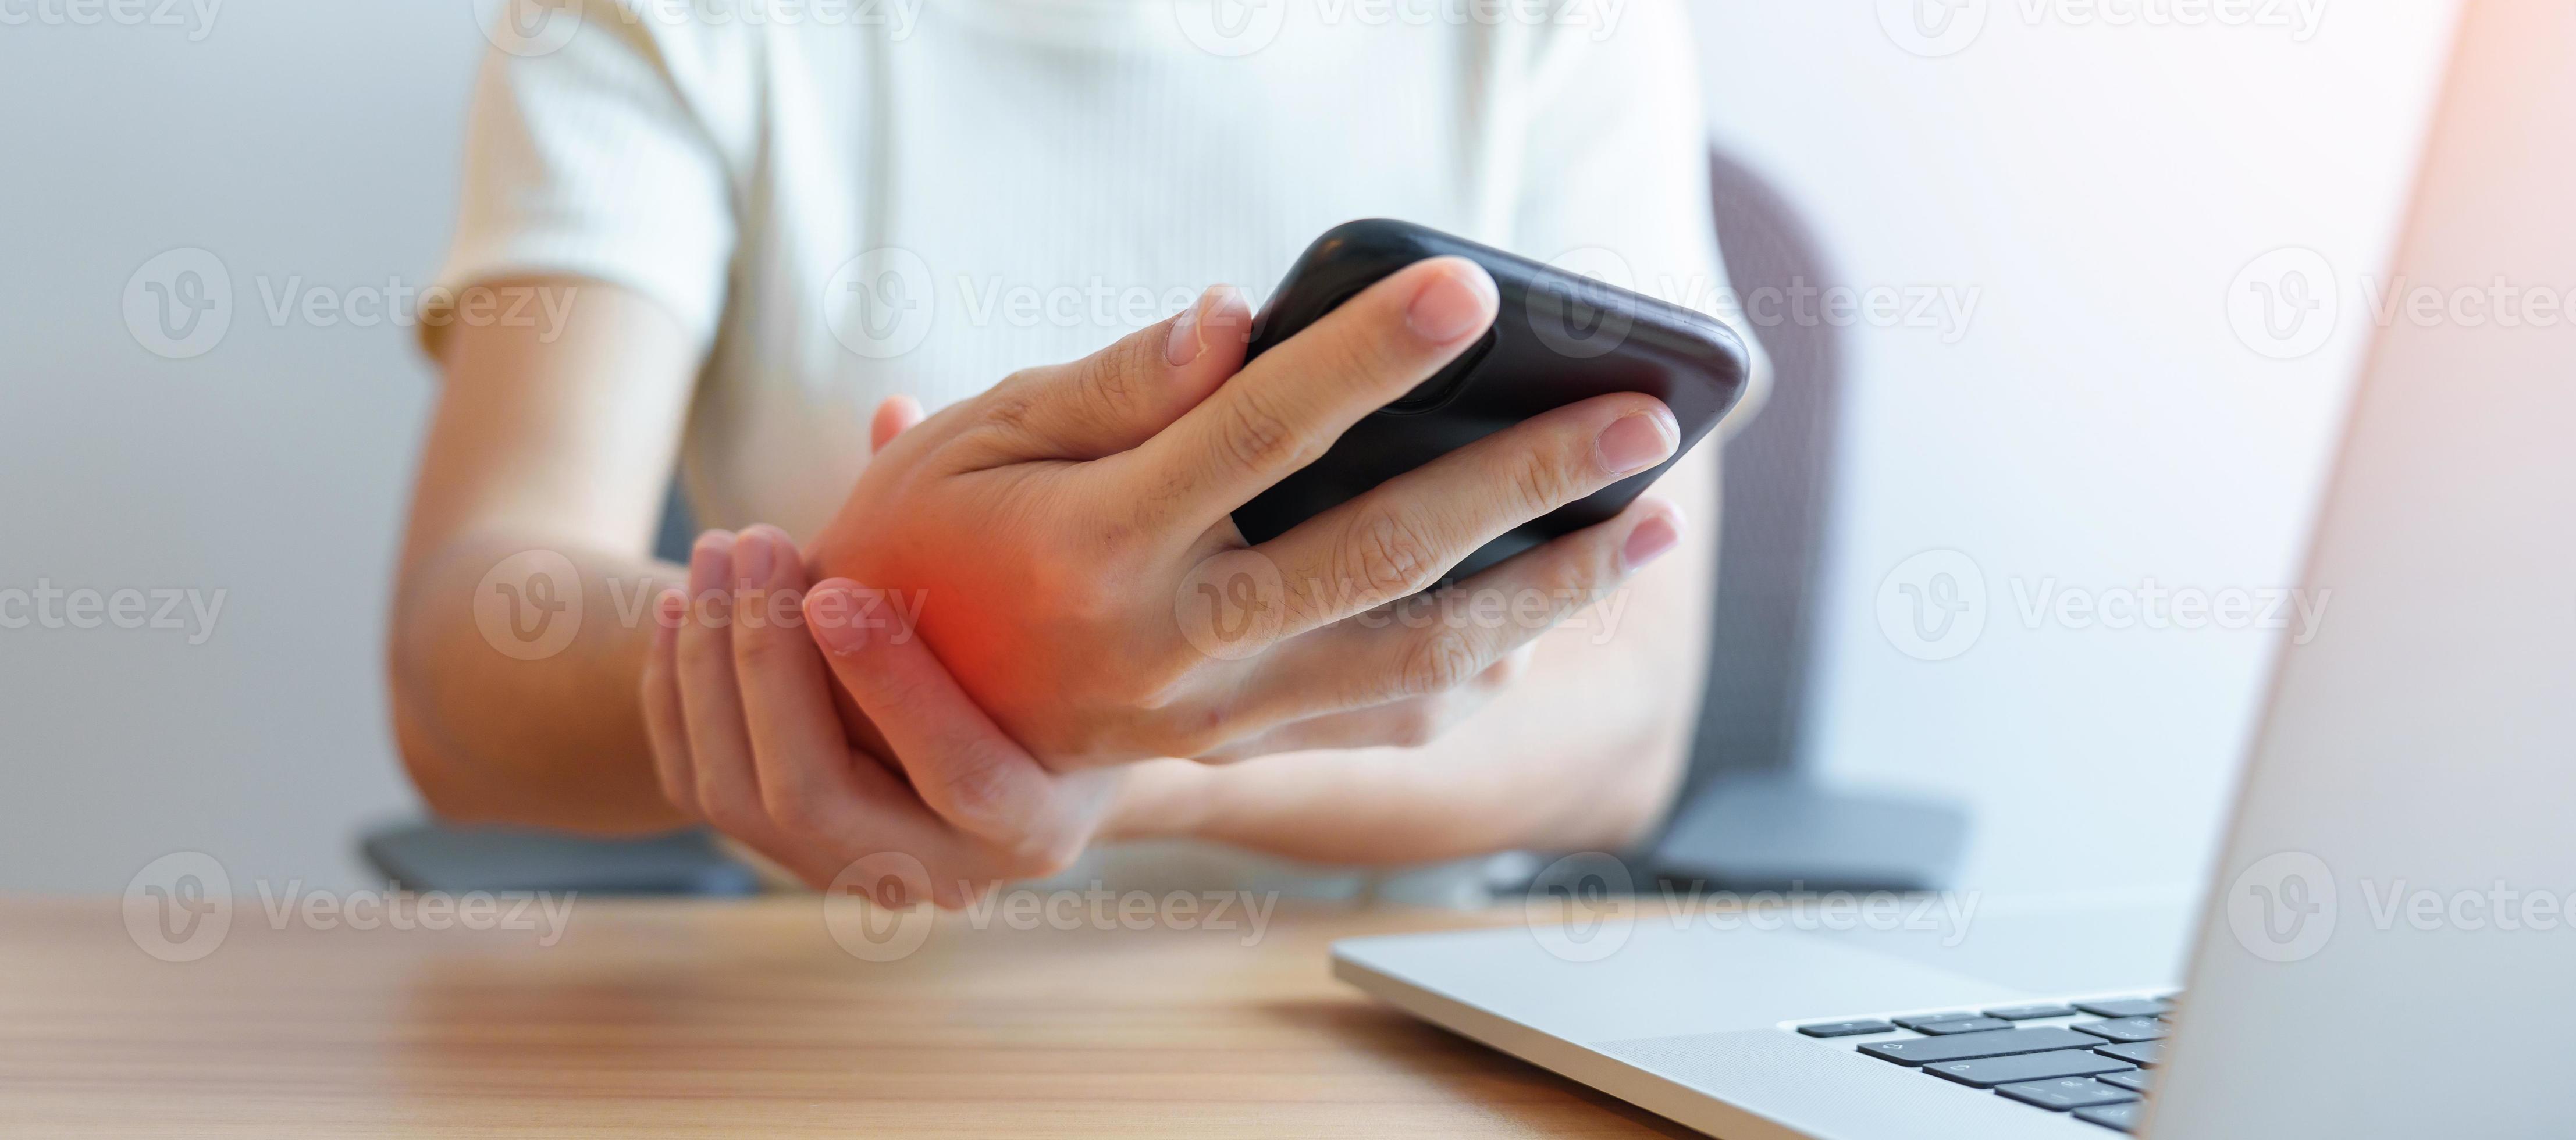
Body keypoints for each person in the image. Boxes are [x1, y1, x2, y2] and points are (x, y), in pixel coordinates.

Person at [389, 0, 1755, 904]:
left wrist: (1112, 755)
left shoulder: (1558, 20)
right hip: (833, 1026)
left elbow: (1622, 722)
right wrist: (857, 661)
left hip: (1392, 1031)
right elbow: (466, 659)